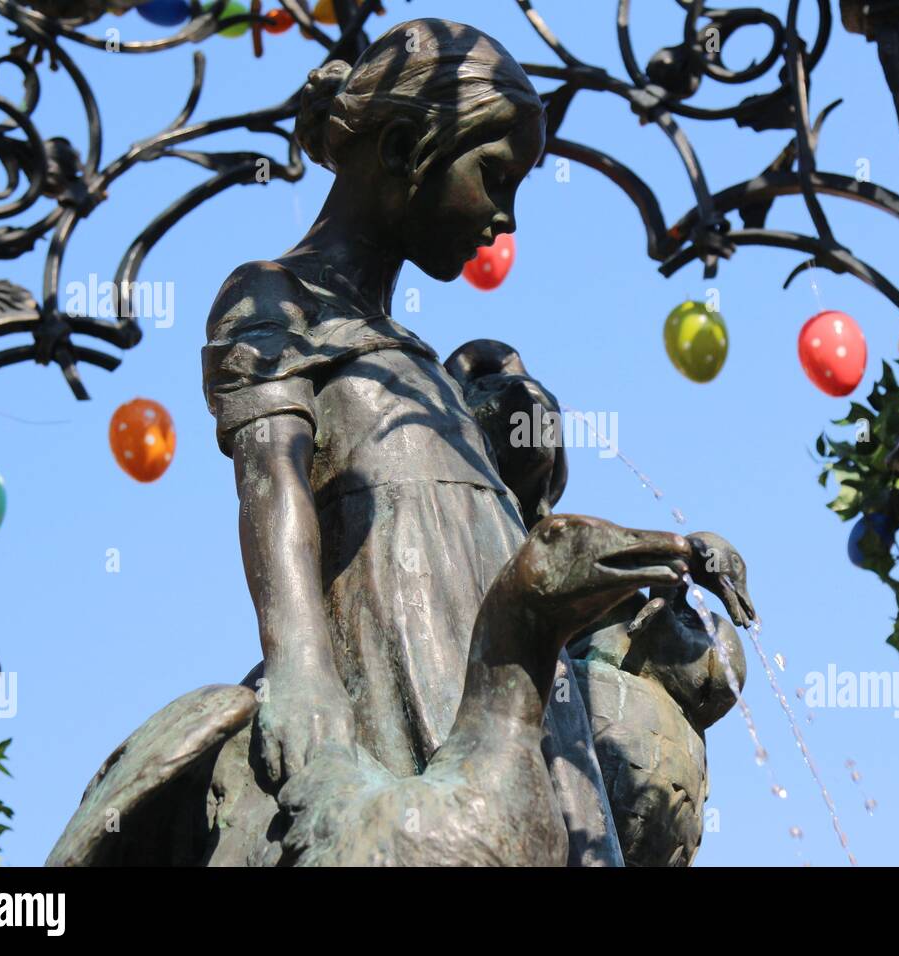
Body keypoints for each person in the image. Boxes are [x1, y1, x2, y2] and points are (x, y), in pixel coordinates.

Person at [201, 18, 621, 863]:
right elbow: (272, 488)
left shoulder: (429, 372)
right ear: (401, 149)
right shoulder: (275, 300)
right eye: (494, 177)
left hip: (515, 697)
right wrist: (303, 671)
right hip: (397, 667)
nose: (504, 219)